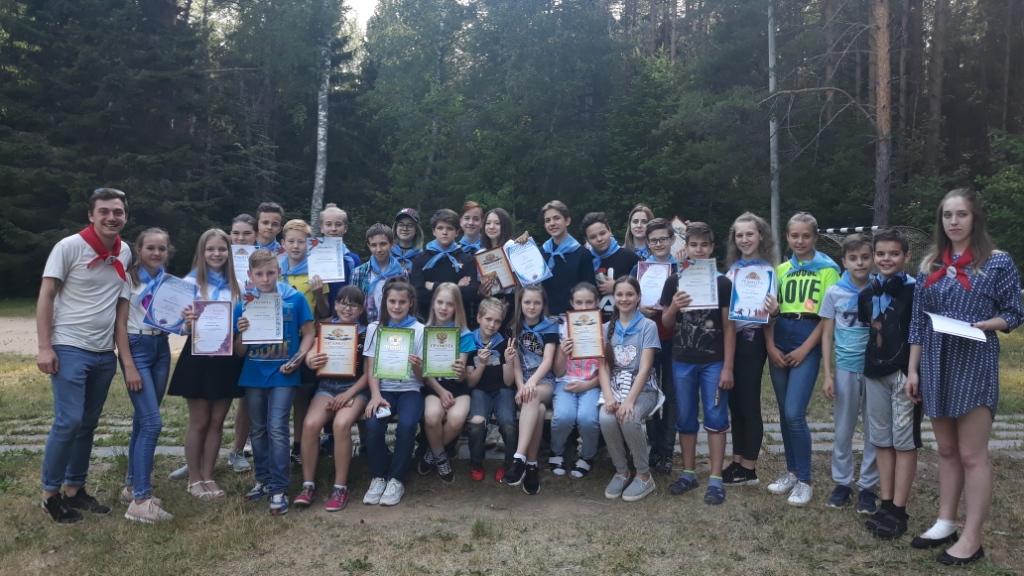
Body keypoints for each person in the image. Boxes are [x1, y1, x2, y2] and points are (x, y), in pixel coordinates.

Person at [908, 189, 1023, 564]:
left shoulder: (997, 262)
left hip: (974, 359)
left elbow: (1015, 311)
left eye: (961, 214)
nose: (954, 221)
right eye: (947, 215)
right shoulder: (929, 264)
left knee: (972, 453)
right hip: (936, 361)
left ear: (975, 218)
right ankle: (945, 522)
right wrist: (913, 369)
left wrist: (991, 323)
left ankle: (972, 539)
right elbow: (917, 322)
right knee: (945, 449)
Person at [37, 188, 132, 523]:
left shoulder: (124, 252)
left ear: (125, 216)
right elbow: (46, 295)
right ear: (91, 215)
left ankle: (75, 489)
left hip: (103, 353)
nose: (111, 217)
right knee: (69, 421)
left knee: (87, 424)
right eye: (104, 211)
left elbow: (120, 305)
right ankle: (50, 495)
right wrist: (45, 347)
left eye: (117, 212)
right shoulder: (69, 247)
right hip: (69, 346)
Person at [765, 212, 840, 506]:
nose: (800, 241)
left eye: (806, 236)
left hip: (808, 336)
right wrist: (770, 347)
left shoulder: (828, 269)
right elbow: (769, 312)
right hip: (780, 335)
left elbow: (827, 316)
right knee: (784, 411)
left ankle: (805, 480)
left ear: (815, 237)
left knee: (795, 412)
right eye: (794, 235)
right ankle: (792, 471)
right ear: (787, 237)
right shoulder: (780, 270)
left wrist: (806, 349)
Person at [236, 249, 315, 515]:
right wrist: (241, 332)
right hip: (254, 374)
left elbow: (309, 333)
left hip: (284, 373)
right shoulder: (244, 303)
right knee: (258, 430)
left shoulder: (295, 298)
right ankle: (263, 480)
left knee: (278, 429)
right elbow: (238, 351)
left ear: (279, 271)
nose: (265, 279)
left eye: (270, 273)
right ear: (250, 275)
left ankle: (279, 488)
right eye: (259, 274)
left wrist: (298, 358)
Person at [168, 229, 244, 501]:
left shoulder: (237, 285)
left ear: (229, 252)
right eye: (210, 249)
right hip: (198, 358)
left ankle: (209, 475)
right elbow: (178, 325)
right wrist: (188, 325)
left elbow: (240, 321)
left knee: (217, 422)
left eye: (222, 249)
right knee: (199, 422)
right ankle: (194, 478)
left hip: (227, 357)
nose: (216, 254)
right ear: (201, 252)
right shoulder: (189, 283)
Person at [662, 222, 734, 505]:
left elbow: (729, 327)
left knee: (715, 417)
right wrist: (674, 306)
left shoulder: (723, 282)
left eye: (704, 245)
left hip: (713, 361)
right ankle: (688, 473)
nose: (699, 250)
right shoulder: (674, 281)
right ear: (686, 248)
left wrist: (728, 367)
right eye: (694, 245)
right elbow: (667, 323)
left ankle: (716, 478)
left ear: (712, 248)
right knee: (686, 417)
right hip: (683, 360)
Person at [853, 228, 916, 537]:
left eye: (894, 253)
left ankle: (899, 510)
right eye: (881, 254)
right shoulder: (867, 294)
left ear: (906, 257)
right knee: (881, 439)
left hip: (904, 375)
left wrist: (915, 372)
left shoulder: (916, 292)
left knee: (904, 442)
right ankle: (886, 502)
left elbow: (919, 336)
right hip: (874, 373)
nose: (886, 259)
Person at [113, 228, 174, 523]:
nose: (156, 253)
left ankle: (132, 486)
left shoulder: (169, 282)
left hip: (161, 347)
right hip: (136, 347)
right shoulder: (128, 279)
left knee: (142, 420)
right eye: (150, 248)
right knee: (152, 423)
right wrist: (129, 366)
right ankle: (141, 501)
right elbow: (120, 324)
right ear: (139, 251)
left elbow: (175, 320)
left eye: (162, 248)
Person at [296, 286, 370, 511]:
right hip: (327, 386)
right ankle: (308, 485)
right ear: (336, 305)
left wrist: (349, 394)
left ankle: (340, 487)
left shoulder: (367, 333)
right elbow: (311, 353)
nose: (348, 308)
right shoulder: (325, 328)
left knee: (341, 424)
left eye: (354, 305)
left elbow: (369, 374)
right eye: (343, 303)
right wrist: (311, 360)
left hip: (356, 389)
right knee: (310, 424)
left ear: (361, 309)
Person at [819, 234, 878, 512]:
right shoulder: (834, 292)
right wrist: (828, 375)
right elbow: (826, 335)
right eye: (853, 258)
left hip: (876, 371)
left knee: (874, 430)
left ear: (873, 259)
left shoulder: (881, 288)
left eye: (865, 257)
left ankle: (868, 486)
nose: (860, 263)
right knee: (843, 430)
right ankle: (842, 483)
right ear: (844, 262)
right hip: (845, 369)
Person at [721, 212, 778, 486]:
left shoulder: (769, 272)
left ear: (761, 236)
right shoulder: (731, 271)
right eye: (739, 235)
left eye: (750, 234)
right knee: (734, 405)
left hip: (751, 341)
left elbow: (770, 319)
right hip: (729, 341)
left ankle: (749, 469)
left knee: (749, 404)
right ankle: (737, 461)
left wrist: (774, 312)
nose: (744, 239)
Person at [363, 280, 427, 506]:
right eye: (392, 301)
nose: (397, 306)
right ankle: (379, 476)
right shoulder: (374, 328)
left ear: (411, 303)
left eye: (402, 302)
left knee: (407, 425)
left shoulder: (420, 330)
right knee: (373, 424)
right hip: (384, 391)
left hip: (411, 390)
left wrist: (418, 366)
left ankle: (396, 479)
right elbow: (371, 366)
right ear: (385, 302)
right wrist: (375, 395)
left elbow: (423, 378)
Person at [600, 276, 663, 502]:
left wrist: (628, 401)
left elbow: (645, 368)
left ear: (638, 297)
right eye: (619, 294)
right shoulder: (606, 328)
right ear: (614, 297)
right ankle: (621, 471)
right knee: (606, 418)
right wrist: (609, 397)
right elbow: (603, 367)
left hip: (643, 389)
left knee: (628, 417)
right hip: (616, 387)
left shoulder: (648, 326)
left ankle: (644, 475)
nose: (624, 299)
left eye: (629, 294)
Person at [629, 218, 680, 475]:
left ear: (672, 239)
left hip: (675, 339)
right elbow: (625, 300)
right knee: (649, 393)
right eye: (653, 240)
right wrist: (638, 307)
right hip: (647, 340)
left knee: (670, 394)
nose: (658, 244)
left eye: (663, 239)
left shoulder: (682, 269)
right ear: (647, 243)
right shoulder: (638, 269)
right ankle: (654, 446)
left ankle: (667, 450)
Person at [279, 219, 328, 467]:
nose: (296, 246)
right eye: (291, 241)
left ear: (309, 245)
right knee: (278, 396)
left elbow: (325, 312)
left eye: (301, 241)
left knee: (301, 397)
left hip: (306, 340)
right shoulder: (273, 271)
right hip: (278, 340)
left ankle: (299, 446)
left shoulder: (317, 272)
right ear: (283, 243)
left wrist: (318, 294)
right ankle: (276, 446)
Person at [503, 284, 559, 495]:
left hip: (544, 381)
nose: (532, 306)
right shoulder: (514, 327)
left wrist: (530, 384)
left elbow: (548, 360)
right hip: (524, 382)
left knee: (533, 396)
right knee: (538, 409)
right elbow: (515, 361)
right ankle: (532, 465)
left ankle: (518, 457)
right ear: (520, 303)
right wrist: (520, 386)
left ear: (543, 304)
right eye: (527, 302)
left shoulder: (550, 326)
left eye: (537, 302)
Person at [417, 283, 473, 483]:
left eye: (449, 304)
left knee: (457, 419)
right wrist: (440, 391)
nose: (443, 308)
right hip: (433, 386)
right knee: (432, 417)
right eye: (440, 302)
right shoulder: (424, 332)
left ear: (457, 307)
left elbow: (460, 378)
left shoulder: (464, 334)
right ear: (433, 304)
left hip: (458, 387)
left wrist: (459, 371)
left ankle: (431, 454)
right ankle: (441, 459)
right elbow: (423, 373)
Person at [549, 283, 602, 478]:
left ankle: (587, 456)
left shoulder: (604, 329)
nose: (583, 307)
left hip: (592, 383)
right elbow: (558, 371)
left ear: (597, 303)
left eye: (589, 302)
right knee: (563, 417)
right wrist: (563, 353)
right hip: (566, 382)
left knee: (588, 419)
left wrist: (587, 385)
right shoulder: (563, 329)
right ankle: (557, 452)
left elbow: (606, 370)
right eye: (579, 302)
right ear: (571, 304)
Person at [466, 298, 518, 481]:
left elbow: (508, 381)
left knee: (508, 422)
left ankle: (510, 463)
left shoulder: (504, 343)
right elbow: (471, 383)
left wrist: (509, 361)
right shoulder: (469, 342)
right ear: (479, 318)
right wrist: (482, 363)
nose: (492, 325)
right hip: (480, 390)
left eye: (497, 321)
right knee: (477, 422)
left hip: (503, 390)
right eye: (488, 319)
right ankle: (476, 461)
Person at [226, 213, 258, 472]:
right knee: (216, 398)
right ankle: (199, 457)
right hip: (218, 336)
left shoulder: (263, 261)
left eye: (247, 233)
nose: (241, 238)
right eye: (236, 233)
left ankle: (238, 449)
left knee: (247, 398)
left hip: (251, 333)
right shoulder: (219, 258)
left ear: (256, 236)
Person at [410, 209, 479, 322]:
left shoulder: (467, 260)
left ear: (457, 232)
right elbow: (417, 294)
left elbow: (471, 294)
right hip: (426, 321)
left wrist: (434, 286)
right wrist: (456, 288)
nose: (445, 232)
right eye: (440, 228)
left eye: (450, 228)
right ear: (433, 231)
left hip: (458, 323)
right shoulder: (420, 260)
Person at [539, 201, 597, 316]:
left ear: (567, 221)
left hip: (574, 318)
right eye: (548, 220)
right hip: (545, 318)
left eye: (556, 218)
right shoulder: (541, 253)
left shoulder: (582, 254)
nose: (552, 223)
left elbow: (589, 290)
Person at [582, 212, 640, 322]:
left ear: (610, 231)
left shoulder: (629, 257)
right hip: (593, 323)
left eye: (602, 233)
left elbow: (642, 290)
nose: (599, 239)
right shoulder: (585, 260)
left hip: (626, 322)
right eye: (593, 237)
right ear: (587, 240)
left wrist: (616, 287)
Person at [351, 223, 409, 323]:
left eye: (383, 244)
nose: (378, 249)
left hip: (393, 327)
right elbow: (353, 303)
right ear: (369, 246)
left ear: (392, 244)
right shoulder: (358, 273)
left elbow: (406, 302)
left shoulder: (402, 273)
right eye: (374, 245)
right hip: (365, 327)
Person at [318, 203, 362, 308]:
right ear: (322, 227)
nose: (333, 228)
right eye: (328, 224)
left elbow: (357, 293)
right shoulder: (311, 257)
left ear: (345, 228)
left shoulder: (353, 260)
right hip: (316, 314)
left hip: (345, 313)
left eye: (338, 224)